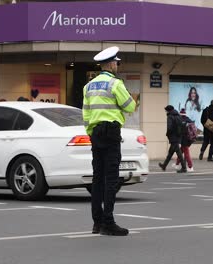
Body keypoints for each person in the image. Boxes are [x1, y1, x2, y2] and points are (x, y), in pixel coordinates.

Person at [82, 46, 136, 236]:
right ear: (111, 64)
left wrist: (91, 133)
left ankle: (97, 223)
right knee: (111, 179)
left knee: (97, 178)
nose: (117, 65)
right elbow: (130, 106)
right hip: (111, 132)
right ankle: (108, 222)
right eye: (116, 62)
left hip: (95, 133)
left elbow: (86, 114)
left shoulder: (88, 86)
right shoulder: (115, 84)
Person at [158, 105, 187, 173]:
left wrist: (167, 134)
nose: (165, 112)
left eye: (166, 110)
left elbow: (169, 128)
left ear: (168, 110)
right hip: (178, 136)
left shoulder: (170, 116)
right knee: (170, 153)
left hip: (173, 137)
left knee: (179, 153)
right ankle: (164, 166)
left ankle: (184, 168)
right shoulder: (178, 116)